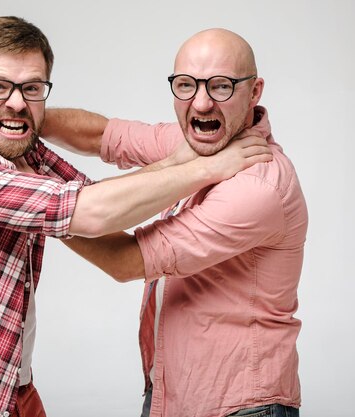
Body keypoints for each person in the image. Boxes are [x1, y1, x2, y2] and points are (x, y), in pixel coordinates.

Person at [0, 18, 273, 417]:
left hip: (6, 386)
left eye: (31, 88)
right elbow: (92, 212)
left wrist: (176, 160)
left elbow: (97, 198)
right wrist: (207, 169)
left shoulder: (18, 150)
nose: (16, 102)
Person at [42, 28, 308, 417]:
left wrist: (32, 199)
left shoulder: (258, 185)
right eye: (186, 85)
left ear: (254, 92)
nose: (200, 103)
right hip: (173, 395)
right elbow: (102, 135)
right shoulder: (200, 147)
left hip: (241, 408)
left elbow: (127, 259)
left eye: (221, 86)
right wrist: (20, 117)